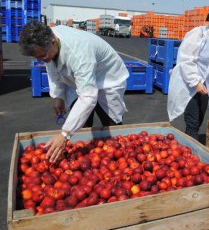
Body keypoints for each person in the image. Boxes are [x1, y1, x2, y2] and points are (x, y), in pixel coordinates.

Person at [19, 20, 129, 162]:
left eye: (42, 56)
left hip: (107, 79)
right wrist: (58, 96)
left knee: (111, 124)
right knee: (81, 124)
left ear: (53, 42)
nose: (41, 60)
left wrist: (65, 134)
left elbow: (88, 97)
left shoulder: (79, 53)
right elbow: (51, 67)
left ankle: (119, 156)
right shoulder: (48, 42)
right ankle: (85, 155)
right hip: (78, 79)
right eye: (37, 57)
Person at [167, 4, 209, 141]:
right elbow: (186, 60)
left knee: (199, 120)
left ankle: (186, 145)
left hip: (204, 87)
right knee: (192, 122)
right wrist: (195, 82)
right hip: (188, 83)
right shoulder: (198, 34)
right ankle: (191, 152)